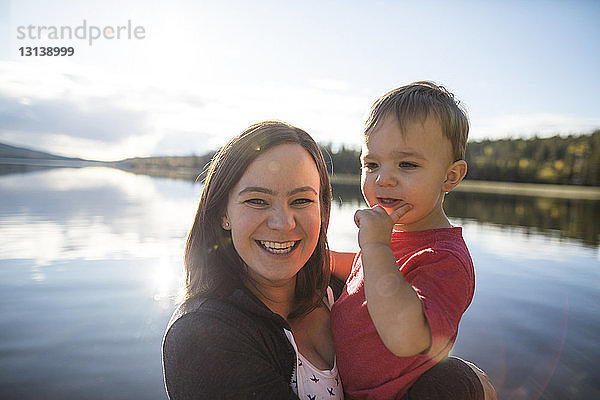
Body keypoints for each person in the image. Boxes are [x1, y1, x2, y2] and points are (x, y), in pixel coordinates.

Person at [330, 81, 496, 399]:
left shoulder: (445, 258)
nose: (383, 178)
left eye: (407, 164)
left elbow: (406, 338)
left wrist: (376, 246)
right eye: (372, 164)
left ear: (450, 177)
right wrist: (320, 257)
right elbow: (362, 271)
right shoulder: (396, 237)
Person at [162, 121, 344, 399]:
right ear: (224, 213)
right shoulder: (203, 336)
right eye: (257, 201)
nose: (283, 223)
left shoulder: (346, 292)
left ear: (322, 208)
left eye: (302, 201)